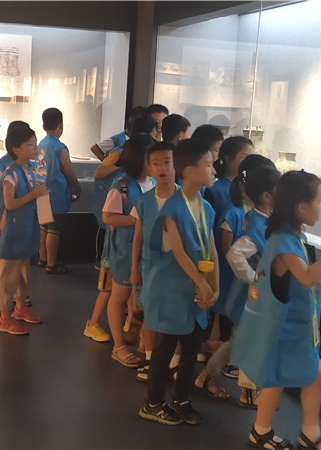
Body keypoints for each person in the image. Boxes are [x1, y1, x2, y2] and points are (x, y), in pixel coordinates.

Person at [232, 171, 321, 450]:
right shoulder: (285, 240)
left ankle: (285, 432)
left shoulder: (292, 235)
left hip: (290, 328)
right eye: (318, 202)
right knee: (299, 376)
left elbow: (307, 276)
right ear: (301, 207)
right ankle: (290, 433)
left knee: (298, 377)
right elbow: (306, 277)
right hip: (284, 330)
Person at [138, 138, 218, 426]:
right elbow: (180, 253)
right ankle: (152, 402)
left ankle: (181, 399)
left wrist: (215, 285)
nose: (214, 170)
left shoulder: (206, 207)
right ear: (190, 171)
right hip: (170, 291)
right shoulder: (172, 208)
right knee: (164, 350)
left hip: (194, 293)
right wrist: (204, 284)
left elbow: (212, 247)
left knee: (191, 350)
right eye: (209, 165)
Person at [194, 163, 280, 406]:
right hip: (252, 298)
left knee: (239, 342)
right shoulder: (257, 226)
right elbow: (235, 254)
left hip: (255, 296)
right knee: (251, 343)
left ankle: (206, 375)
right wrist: (254, 277)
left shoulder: (261, 220)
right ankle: (248, 392)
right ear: (267, 196)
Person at [102, 134, 157, 367]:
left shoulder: (152, 183)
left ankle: (143, 341)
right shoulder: (121, 185)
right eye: (151, 159)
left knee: (141, 298)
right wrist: (138, 221)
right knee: (120, 296)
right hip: (125, 251)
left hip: (147, 251)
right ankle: (119, 347)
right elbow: (108, 216)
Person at [200, 136, 254, 356]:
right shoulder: (216, 189)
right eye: (245, 156)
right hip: (220, 256)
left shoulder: (245, 197)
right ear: (229, 158)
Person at [129, 141, 178, 381]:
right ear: (148, 167)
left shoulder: (187, 198)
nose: (161, 168)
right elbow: (138, 236)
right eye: (155, 163)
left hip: (178, 269)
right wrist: (134, 269)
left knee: (176, 313)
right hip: (149, 267)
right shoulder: (144, 200)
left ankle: (175, 362)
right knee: (149, 313)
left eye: (167, 162)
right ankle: (150, 359)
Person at [0, 122, 46, 335]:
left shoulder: (31, 169)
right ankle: (4, 319)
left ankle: (20, 307)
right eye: (30, 144)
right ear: (16, 149)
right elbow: (9, 204)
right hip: (14, 233)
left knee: (23, 275)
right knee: (8, 278)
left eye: (35, 143)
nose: (35, 148)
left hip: (27, 230)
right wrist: (33, 195)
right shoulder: (10, 173)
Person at [0, 121, 29, 309]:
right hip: (8, 219)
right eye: (29, 142)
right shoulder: (2, 166)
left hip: (25, 218)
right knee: (3, 256)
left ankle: (20, 297)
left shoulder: (29, 164)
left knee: (22, 257)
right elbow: (3, 198)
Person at [36, 107, 81, 274]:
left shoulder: (40, 145)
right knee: (54, 230)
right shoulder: (60, 147)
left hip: (41, 191)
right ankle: (52, 263)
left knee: (43, 227)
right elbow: (68, 172)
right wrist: (77, 187)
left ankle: (42, 258)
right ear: (61, 125)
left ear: (43, 125)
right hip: (56, 194)